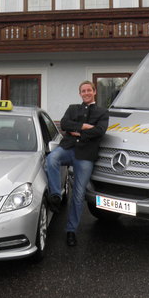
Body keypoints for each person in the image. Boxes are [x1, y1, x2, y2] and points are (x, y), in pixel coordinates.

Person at [45, 80, 109, 247]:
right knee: (51, 159)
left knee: (79, 194)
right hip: (67, 148)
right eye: (83, 91)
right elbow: (64, 124)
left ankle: (71, 231)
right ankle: (56, 196)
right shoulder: (73, 108)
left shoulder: (103, 112)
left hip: (86, 155)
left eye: (89, 90)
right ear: (80, 93)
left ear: (94, 92)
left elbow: (100, 131)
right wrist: (84, 126)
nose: (86, 93)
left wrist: (77, 132)